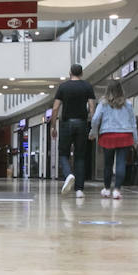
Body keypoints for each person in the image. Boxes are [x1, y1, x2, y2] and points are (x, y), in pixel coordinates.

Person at [51, 64, 96, 198]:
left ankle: (68, 174)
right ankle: (79, 190)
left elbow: (55, 108)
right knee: (80, 156)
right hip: (82, 123)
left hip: (66, 123)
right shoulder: (87, 86)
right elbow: (92, 108)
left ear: (70, 72)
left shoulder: (63, 87)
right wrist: (93, 127)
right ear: (81, 73)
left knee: (63, 153)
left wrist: (53, 126)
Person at [89, 79, 138, 200]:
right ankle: (117, 190)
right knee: (121, 163)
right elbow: (133, 122)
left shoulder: (103, 103)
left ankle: (106, 189)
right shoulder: (128, 104)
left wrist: (93, 132)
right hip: (125, 135)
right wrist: (135, 139)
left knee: (108, 164)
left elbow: (95, 119)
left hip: (108, 135)